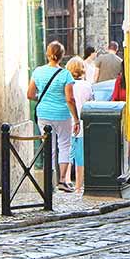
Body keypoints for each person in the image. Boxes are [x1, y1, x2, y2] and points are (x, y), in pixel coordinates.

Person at [27, 41, 73, 191]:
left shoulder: (38, 71)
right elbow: (69, 99)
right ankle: (62, 181)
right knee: (64, 145)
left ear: (48, 54)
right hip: (62, 114)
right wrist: (77, 118)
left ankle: (48, 182)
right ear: (62, 56)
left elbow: (30, 94)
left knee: (49, 146)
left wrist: (42, 98)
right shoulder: (65, 74)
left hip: (44, 113)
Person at [64, 56, 94, 194]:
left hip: (67, 122)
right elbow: (92, 104)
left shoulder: (66, 85)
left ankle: (66, 181)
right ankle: (78, 187)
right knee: (80, 158)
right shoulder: (87, 86)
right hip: (82, 125)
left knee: (67, 155)